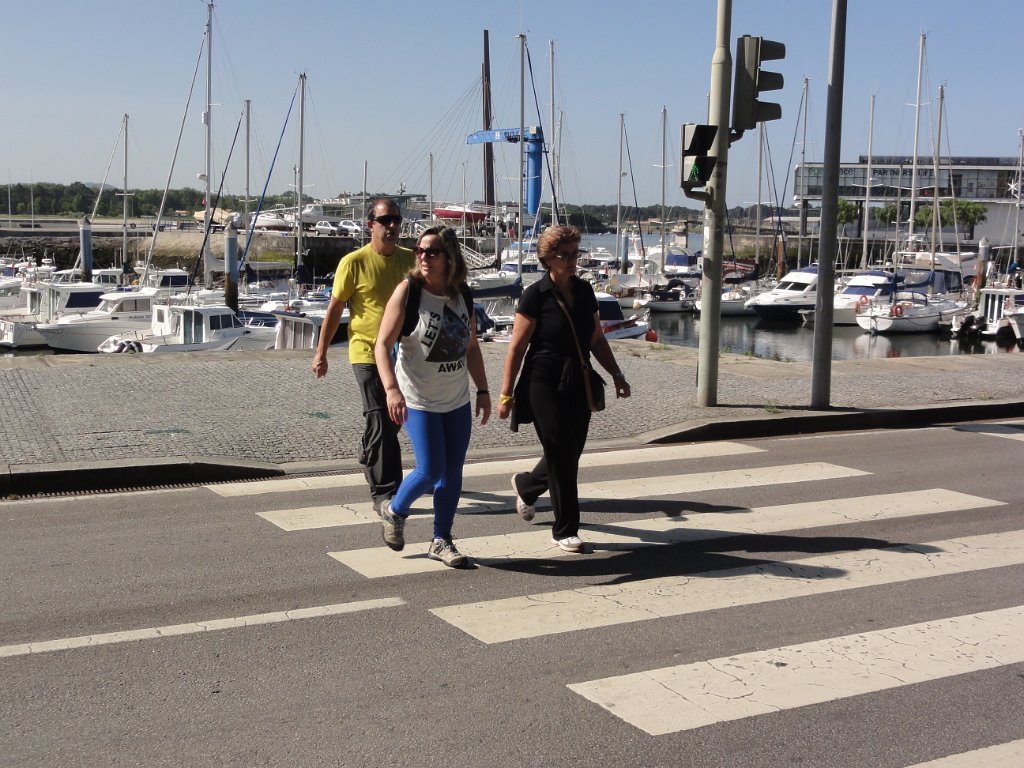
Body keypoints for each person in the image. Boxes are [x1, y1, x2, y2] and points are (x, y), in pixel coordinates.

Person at [496, 225, 631, 553]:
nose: (572, 261)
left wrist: (616, 374)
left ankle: (528, 485)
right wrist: (505, 394)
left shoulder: (584, 291)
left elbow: (596, 338)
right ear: (547, 259)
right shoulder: (535, 296)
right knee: (560, 452)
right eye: (564, 255)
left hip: (578, 379)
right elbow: (516, 349)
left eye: (575, 253)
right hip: (542, 381)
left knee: (571, 451)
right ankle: (565, 529)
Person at [373, 227, 491, 567]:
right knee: (430, 469)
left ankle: (441, 540)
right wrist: (391, 390)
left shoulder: (462, 294)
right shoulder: (409, 292)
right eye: (420, 251)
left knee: (452, 473)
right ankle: (395, 510)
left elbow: (471, 347)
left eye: (433, 251)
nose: (424, 257)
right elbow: (381, 345)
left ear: (450, 257)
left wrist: (483, 390)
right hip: (418, 399)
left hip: (456, 399)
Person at [312, 198, 414, 512]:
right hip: (365, 351)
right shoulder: (353, 262)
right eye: (385, 220)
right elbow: (334, 310)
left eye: (396, 220)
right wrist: (321, 353)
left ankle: (369, 447)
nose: (393, 225)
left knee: (393, 419)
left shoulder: (410, 260)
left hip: (400, 354)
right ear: (371, 224)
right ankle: (386, 492)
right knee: (380, 416)